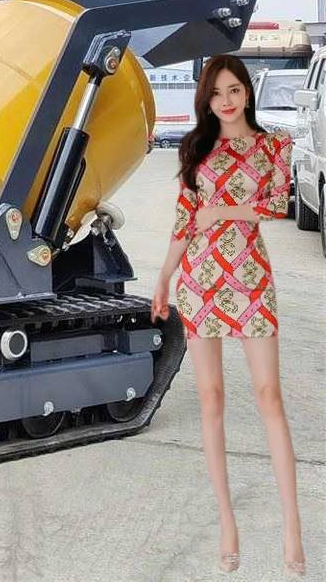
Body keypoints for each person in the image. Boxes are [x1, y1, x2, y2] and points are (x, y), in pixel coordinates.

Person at [150, 54, 305, 576]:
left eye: (234, 89)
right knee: (211, 398)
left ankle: (292, 526)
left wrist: (225, 211)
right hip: (200, 281)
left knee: (269, 396)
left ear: (247, 92)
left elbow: (278, 204)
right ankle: (226, 521)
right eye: (216, 93)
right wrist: (164, 277)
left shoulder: (272, 146)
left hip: (252, 279)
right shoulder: (195, 150)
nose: (226, 101)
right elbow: (183, 221)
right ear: (206, 100)